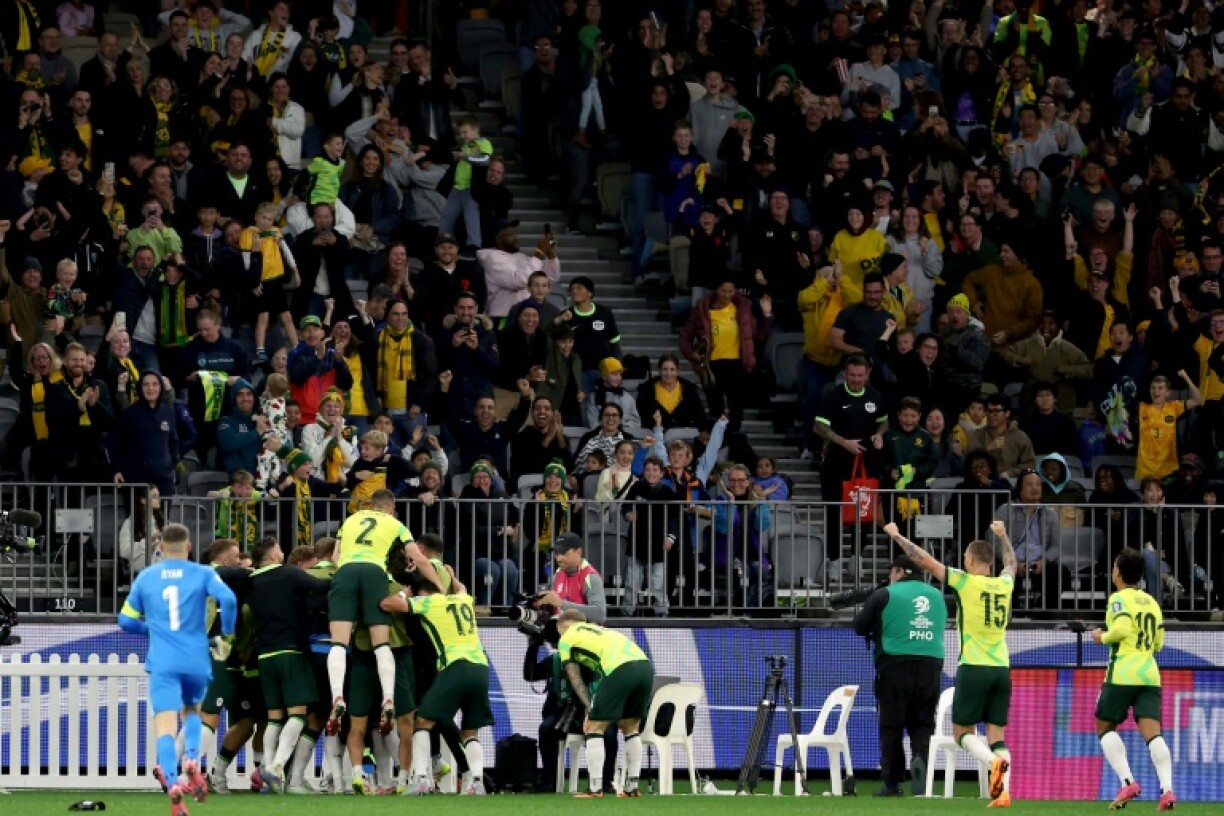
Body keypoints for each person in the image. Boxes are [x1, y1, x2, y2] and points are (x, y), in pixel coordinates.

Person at [883, 519, 1015, 808]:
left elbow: (926, 562)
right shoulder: (1005, 584)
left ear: (969, 560)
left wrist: (897, 536)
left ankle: (994, 763)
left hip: (973, 666)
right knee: (997, 734)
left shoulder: (965, 581)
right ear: (989, 561)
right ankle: (1001, 791)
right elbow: (1011, 564)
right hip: (1002, 668)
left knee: (962, 733)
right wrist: (1003, 536)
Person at [118, 523, 237, 815]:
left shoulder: (147, 577)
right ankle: (193, 759)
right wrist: (227, 634)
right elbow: (229, 599)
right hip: (195, 657)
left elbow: (124, 620)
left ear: (159, 547)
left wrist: (150, 629)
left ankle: (172, 782)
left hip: (163, 660)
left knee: (165, 725)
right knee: (193, 711)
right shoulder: (203, 573)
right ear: (189, 547)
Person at [326, 489, 441, 742]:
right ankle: (388, 698)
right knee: (381, 643)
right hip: (375, 573)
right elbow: (419, 559)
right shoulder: (396, 524)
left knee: (338, 641)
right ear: (391, 507)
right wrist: (440, 588)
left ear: (370, 505)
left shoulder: (351, 520)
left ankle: (337, 695)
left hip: (345, 572)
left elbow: (336, 557)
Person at [382, 568, 492, 796]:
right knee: (470, 731)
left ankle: (422, 779)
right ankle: (476, 783)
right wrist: (451, 575)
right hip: (480, 668)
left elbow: (388, 604)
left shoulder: (429, 604)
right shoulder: (463, 599)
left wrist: (404, 595)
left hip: (454, 666)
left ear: (422, 594)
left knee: (423, 720)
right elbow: (462, 588)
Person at [852, 554, 947, 797]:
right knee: (923, 723)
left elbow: (860, 626)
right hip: (931, 664)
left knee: (891, 725)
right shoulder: (937, 595)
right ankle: (920, 762)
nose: (889, 578)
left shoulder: (885, 595)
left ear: (899, 571)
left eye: (891, 573)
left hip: (894, 664)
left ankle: (893, 782)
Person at [244, 535, 332, 793]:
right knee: (298, 713)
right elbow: (319, 585)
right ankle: (277, 766)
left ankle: (270, 774)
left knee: (273, 718)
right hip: (290, 651)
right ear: (272, 555)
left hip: (264, 656)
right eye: (279, 549)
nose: (283, 552)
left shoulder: (250, 581)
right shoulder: (289, 574)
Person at [1092, 548, 1176, 812]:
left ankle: (1128, 781)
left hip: (1123, 673)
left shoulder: (1117, 599)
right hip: (1150, 675)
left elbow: (1122, 629)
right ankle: (1167, 790)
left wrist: (1101, 636)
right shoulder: (1152, 602)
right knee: (1153, 734)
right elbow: (1159, 643)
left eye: (1115, 566)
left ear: (1118, 572)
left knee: (1104, 726)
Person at [555, 609, 654, 798]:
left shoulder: (567, 638)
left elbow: (575, 679)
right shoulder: (600, 630)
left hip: (620, 669)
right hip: (644, 666)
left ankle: (594, 789)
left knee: (594, 727)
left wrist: (589, 709)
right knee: (630, 727)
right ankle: (631, 787)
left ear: (564, 627)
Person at [531, 532, 608, 624]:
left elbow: (599, 614)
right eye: (556, 553)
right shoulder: (557, 575)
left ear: (578, 552)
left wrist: (562, 604)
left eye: (564, 553)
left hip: (585, 635)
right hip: (561, 634)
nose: (559, 559)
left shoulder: (590, 577)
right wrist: (539, 605)